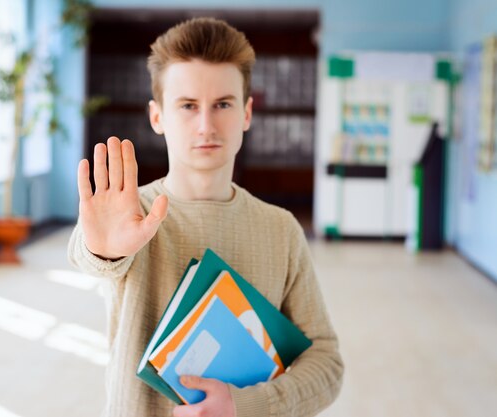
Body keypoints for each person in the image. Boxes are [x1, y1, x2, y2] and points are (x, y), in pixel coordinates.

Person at [68, 17, 343, 417]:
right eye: (187, 106)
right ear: (157, 116)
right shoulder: (133, 213)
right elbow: (89, 254)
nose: (206, 125)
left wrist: (247, 405)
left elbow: (327, 365)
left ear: (246, 113)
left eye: (223, 105)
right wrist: (103, 250)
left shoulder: (280, 229)